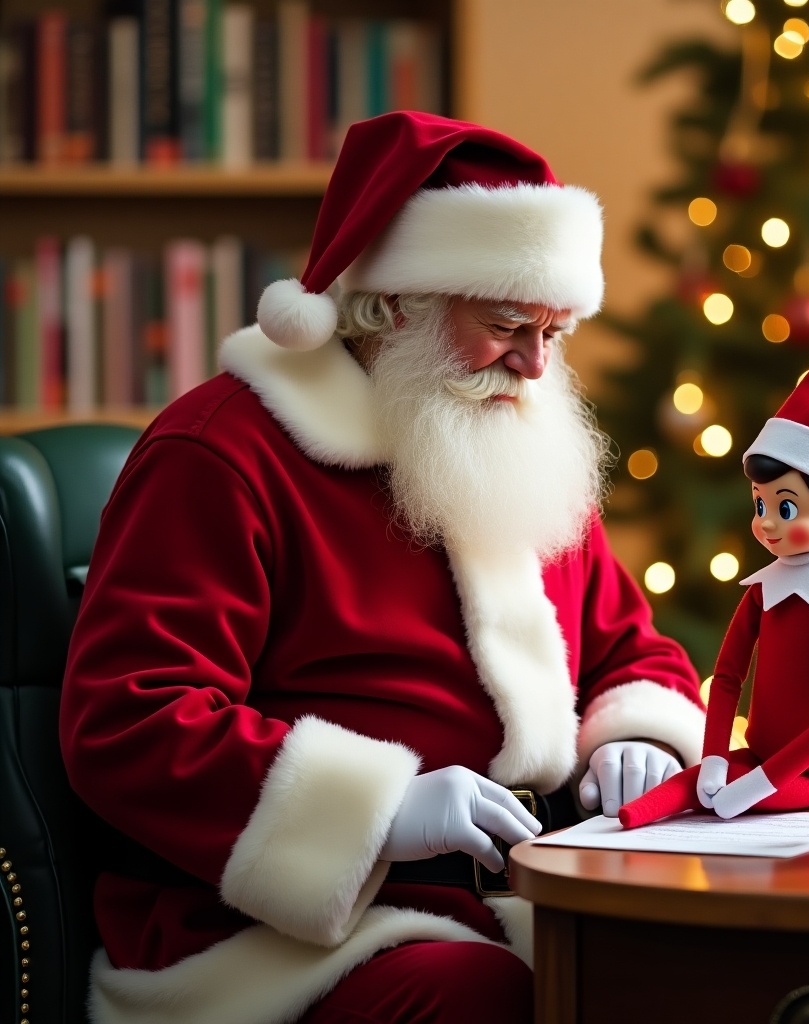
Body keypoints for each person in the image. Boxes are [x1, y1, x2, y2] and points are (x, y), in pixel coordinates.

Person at [59, 111, 706, 1024]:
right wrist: (378, 810)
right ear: (392, 305)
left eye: (555, 332)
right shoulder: (223, 454)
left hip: (531, 894)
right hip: (288, 939)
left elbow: (631, 650)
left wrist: (636, 737)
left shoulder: (513, 444)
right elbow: (129, 719)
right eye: (506, 324)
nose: (533, 364)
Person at [620, 299, 809, 829]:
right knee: (687, 787)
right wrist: (716, 756)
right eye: (760, 504)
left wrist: (763, 782)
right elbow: (727, 676)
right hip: (754, 757)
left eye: (786, 507)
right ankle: (619, 823)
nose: (766, 523)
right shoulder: (763, 589)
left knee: (721, 804)